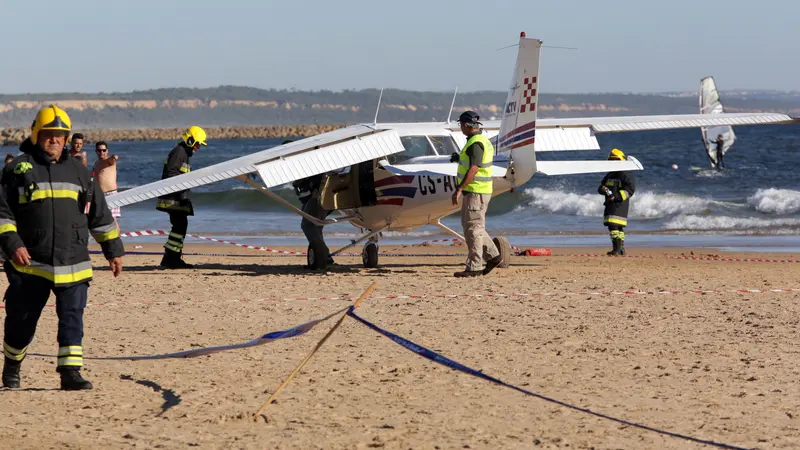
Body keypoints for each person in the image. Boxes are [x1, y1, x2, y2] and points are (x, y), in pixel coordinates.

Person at [0, 105, 124, 390]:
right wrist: (13, 244)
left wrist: (113, 250)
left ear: (67, 139)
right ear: (36, 135)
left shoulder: (80, 173)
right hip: (31, 264)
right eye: (48, 135)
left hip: (74, 262)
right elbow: (2, 214)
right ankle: (12, 365)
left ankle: (70, 373)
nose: (54, 140)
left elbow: (99, 215)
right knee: (21, 323)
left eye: (60, 135)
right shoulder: (16, 171)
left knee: (72, 319)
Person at [450, 111, 503, 277]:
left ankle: (474, 267)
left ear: (466, 125)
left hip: (476, 190)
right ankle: (493, 256)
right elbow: (472, 161)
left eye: (461, 125)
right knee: (473, 227)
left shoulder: (475, 143)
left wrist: (459, 189)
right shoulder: (479, 140)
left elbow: (474, 167)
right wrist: (458, 158)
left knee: (473, 228)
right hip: (478, 190)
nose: (460, 128)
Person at [156, 126, 207, 269]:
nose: (197, 148)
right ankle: (170, 258)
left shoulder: (183, 153)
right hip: (173, 199)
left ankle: (173, 257)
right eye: (197, 144)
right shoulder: (179, 152)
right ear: (190, 140)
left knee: (180, 227)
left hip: (178, 199)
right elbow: (171, 174)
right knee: (179, 226)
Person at [598, 148, 636, 256]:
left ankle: (617, 249)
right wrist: (604, 190)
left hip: (620, 204)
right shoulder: (610, 174)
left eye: (615, 160)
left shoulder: (625, 174)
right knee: (616, 227)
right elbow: (601, 187)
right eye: (611, 161)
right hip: (610, 205)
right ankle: (620, 249)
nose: (613, 163)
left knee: (614, 226)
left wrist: (616, 197)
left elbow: (630, 190)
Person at [92, 141, 121, 221]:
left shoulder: (109, 161)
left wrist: (114, 157)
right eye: (99, 150)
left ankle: (117, 234)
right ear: (96, 151)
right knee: (101, 221)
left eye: (104, 150)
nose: (102, 152)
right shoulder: (96, 163)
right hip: (100, 195)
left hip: (111, 194)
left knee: (113, 221)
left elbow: (112, 159)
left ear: (107, 151)